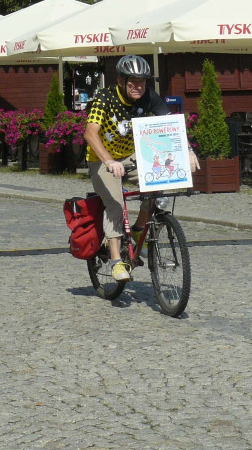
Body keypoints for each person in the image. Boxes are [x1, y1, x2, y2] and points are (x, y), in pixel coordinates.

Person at [83, 55, 199, 283]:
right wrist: (108, 161)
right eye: (132, 82)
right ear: (121, 81)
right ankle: (117, 262)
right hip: (102, 158)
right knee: (115, 203)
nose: (138, 87)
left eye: (142, 82)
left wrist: (188, 150)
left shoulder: (149, 97)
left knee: (162, 186)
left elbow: (170, 123)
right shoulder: (104, 99)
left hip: (130, 155)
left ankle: (137, 229)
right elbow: (90, 133)